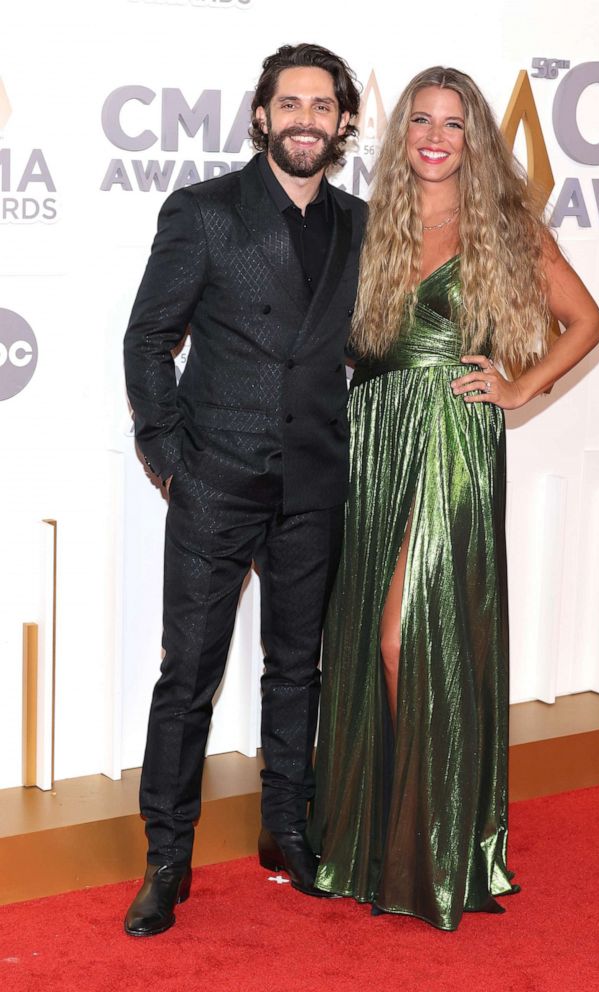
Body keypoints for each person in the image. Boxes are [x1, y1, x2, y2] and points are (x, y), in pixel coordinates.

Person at [308, 66, 599, 930]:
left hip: (448, 439)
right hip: (373, 434)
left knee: (406, 638)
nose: (435, 136)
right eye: (421, 121)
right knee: (365, 638)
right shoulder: (372, 227)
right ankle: (374, 839)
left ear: (476, 138)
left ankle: (436, 839)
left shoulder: (505, 226)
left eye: (454, 122)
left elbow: (585, 324)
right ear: (400, 135)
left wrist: (523, 387)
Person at [122, 43, 366, 937]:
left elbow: (365, 346)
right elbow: (148, 340)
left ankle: (284, 830)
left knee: (295, 667)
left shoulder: (362, 223)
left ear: (343, 122)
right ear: (261, 116)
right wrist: (168, 456)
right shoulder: (205, 212)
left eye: (322, 106)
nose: (306, 119)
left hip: (311, 481)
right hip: (217, 477)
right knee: (188, 676)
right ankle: (166, 857)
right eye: (288, 104)